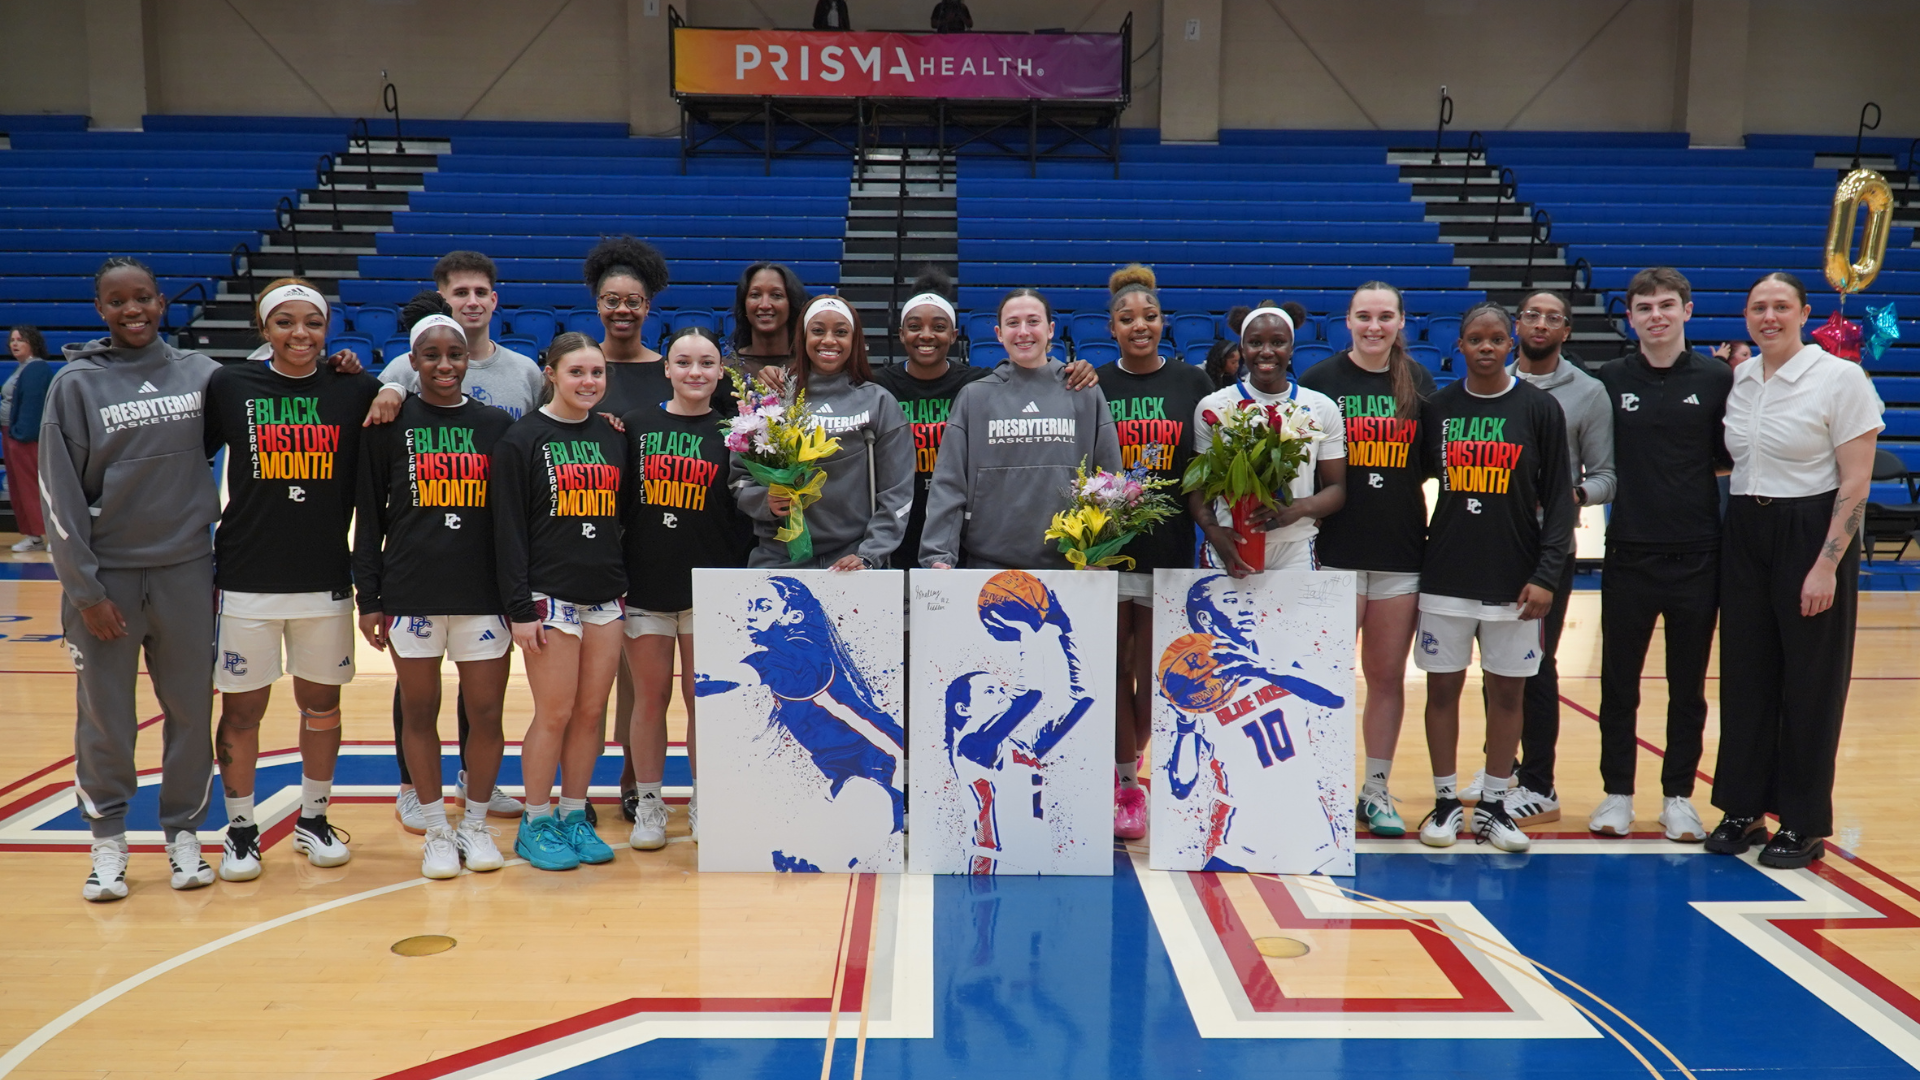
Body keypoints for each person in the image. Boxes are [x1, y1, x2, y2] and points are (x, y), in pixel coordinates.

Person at [42, 259, 225, 900]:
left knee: (189, 711)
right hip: (108, 581)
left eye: (142, 297)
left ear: (162, 300)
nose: (133, 310)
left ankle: (183, 835)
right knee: (106, 721)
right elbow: (58, 498)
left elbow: (273, 393)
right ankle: (108, 844)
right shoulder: (74, 385)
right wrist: (85, 591)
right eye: (117, 302)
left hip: (184, 570)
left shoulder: (201, 375)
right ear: (100, 310)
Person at [202, 278, 381, 882]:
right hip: (248, 577)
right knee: (244, 709)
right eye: (285, 323)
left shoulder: (355, 386)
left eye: (312, 322)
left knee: (321, 707)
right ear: (263, 329)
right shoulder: (231, 386)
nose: (300, 334)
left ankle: (313, 818)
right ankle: (241, 829)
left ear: (328, 328)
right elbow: (189, 460)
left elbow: (406, 403)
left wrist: (384, 391)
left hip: (325, 576)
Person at [1707, 272, 1883, 870]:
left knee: (1810, 682)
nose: (1769, 316)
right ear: (1746, 316)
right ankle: (1743, 807)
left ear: (1805, 312)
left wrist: (1827, 564)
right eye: (1758, 307)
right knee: (1746, 673)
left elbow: (1856, 481)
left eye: (1781, 306)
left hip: (1812, 531)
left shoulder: (1840, 377)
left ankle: (1804, 822)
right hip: (1747, 531)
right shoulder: (1741, 380)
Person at [364, 259, 541, 833]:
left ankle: (475, 811)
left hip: (482, 583)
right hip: (413, 583)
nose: (445, 363)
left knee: (485, 708)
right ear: (412, 363)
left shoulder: (505, 408)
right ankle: (424, 804)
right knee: (418, 705)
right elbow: (370, 514)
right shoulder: (394, 408)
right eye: (432, 356)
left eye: (455, 355)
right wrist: (368, 594)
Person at [1413, 300, 1575, 855]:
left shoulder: (1539, 409)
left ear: (1512, 345)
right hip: (1447, 575)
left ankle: (1494, 806)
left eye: (1496, 339)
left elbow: (1558, 501)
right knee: (1443, 691)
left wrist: (1548, 575)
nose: (1486, 347)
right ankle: (1442, 803)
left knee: (1508, 695)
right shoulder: (1436, 409)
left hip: (1515, 579)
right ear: (1458, 346)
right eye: (1475, 338)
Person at [1456, 288, 1614, 827]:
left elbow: (1606, 474)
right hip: (1490, 544)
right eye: (1532, 315)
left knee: (1536, 665)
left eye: (1554, 317)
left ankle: (1539, 783)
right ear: (1515, 325)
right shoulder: (1489, 383)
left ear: (1567, 330)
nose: (1541, 323)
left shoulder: (1588, 393)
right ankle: (1501, 768)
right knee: (1492, 663)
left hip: (1546, 550)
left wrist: (1571, 497)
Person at [1590, 268, 1731, 841]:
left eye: (1667, 305)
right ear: (1630, 317)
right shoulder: (1609, 378)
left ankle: (1678, 796)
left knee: (1687, 687)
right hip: (1628, 552)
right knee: (1619, 684)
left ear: (1687, 311)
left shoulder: (1719, 378)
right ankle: (1617, 793)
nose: (1657, 315)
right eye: (1644, 307)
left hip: (1699, 554)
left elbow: (1731, 456)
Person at [1297, 282, 1437, 839]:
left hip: (1400, 551)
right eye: (1364, 316)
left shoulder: (1419, 383)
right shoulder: (1321, 383)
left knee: (1385, 677)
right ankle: (1320, 785)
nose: (1374, 326)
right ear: (1347, 322)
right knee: (1327, 679)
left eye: (1385, 316)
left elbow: (1430, 466)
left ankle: (1375, 790)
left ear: (1402, 321)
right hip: (1335, 552)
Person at [492, 332, 630, 871]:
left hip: (605, 594)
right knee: (554, 712)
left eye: (597, 373)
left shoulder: (614, 435)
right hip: (548, 596)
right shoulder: (522, 439)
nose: (588, 382)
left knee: (592, 713)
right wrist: (520, 609)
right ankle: (536, 819)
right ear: (551, 373)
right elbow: (508, 531)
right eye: (576, 372)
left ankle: (574, 813)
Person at [621, 327, 753, 849]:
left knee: (703, 702)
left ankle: (705, 797)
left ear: (721, 372)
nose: (695, 372)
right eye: (684, 362)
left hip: (712, 590)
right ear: (667, 369)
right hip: (646, 585)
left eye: (706, 363)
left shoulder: (739, 433)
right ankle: (650, 803)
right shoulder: (632, 427)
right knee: (649, 701)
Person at [1093, 266, 1212, 840]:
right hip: (1109, 549)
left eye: (1149, 316)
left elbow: (1203, 475)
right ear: (1110, 327)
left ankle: (1129, 758)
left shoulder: (1194, 383)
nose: (1139, 326)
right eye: (1126, 319)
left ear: (1163, 322)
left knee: (1150, 671)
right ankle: (1126, 783)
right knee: (1113, 667)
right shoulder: (1093, 385)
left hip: (1169, 550)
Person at [920, 288, 1122, 570]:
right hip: (988, 565)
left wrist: (1100, 552)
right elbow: (949, 484)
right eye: (1013, 323)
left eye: (1033, 321)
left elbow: (1110, 479)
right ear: (999, 333)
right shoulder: (974, 397)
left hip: (1074, 565)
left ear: (1051, 330)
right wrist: (938, 555)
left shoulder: (1083, 391)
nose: (1023, 332)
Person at [1160, 574, 1347, 871]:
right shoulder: (1191, 686)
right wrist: (1185, 725)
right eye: (1232, 602)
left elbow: (1336, 697)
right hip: (1239, 832)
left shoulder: (1281, 648)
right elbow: (1181, 785)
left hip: (1308, 821)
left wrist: (1265, 670)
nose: (1246, 609)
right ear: (1207, 618)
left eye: (1248, 601)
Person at [733, 296, 913, 571]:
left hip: (852, 562)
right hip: (779, 559)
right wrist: (764, 500)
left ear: (854, 341)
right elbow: (738, 480)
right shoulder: (773, 398)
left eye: (841, 332)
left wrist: (869, 554)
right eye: (818, 331)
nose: (829, 340)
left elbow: (897, 493)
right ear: (803, 337)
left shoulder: (878, 402)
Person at [948, 572, 1094, 873]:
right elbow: (1028, 694)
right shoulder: (970, 747)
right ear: (963, 708)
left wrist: (1066, 631)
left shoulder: (1024, 747)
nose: (1002, 694)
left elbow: (1083, 699)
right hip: (993, 868)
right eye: (990, 690)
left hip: (1036, 865)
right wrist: (1026, 632)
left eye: (1001, 688)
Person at [1190, 303, 1347, 576]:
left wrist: (1299, 508)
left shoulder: (1321, 407)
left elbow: (1336, 489)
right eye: (1255, 342)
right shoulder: (1213, 405)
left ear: (1291, 348)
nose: (1266, 351)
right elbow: (1197, 486)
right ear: (1241, 350)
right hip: (1230, 544)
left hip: (1295, 548)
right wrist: (1214, 532)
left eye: (1277, 342)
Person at [872, 270, 991, 564]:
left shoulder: (977, 384)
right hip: (897, 516)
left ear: (953, 335)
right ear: (902, 334)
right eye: (914, 326)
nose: (926, 335)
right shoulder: (879, 385)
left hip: (957, 518)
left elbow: (1025, 379)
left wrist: (1067, 370)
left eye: (938, 327)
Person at [3, 325, 52, 552]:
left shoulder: (36, 368)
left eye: (20, 339)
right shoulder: (21, 368)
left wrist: (20, 435)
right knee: (19, 489)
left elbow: (33, 407)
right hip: (12, 434)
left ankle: (52, 536)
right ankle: (34, 537)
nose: (14, 343)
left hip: (25, 438)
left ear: (32, 342)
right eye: (12, 340)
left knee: (33, 487)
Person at [729, 262, 808, 382]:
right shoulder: (726, 370)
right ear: (744, 305)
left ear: (791, 304)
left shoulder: (808, 366)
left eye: (776, 295)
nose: (764, 305)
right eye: (755, 295)